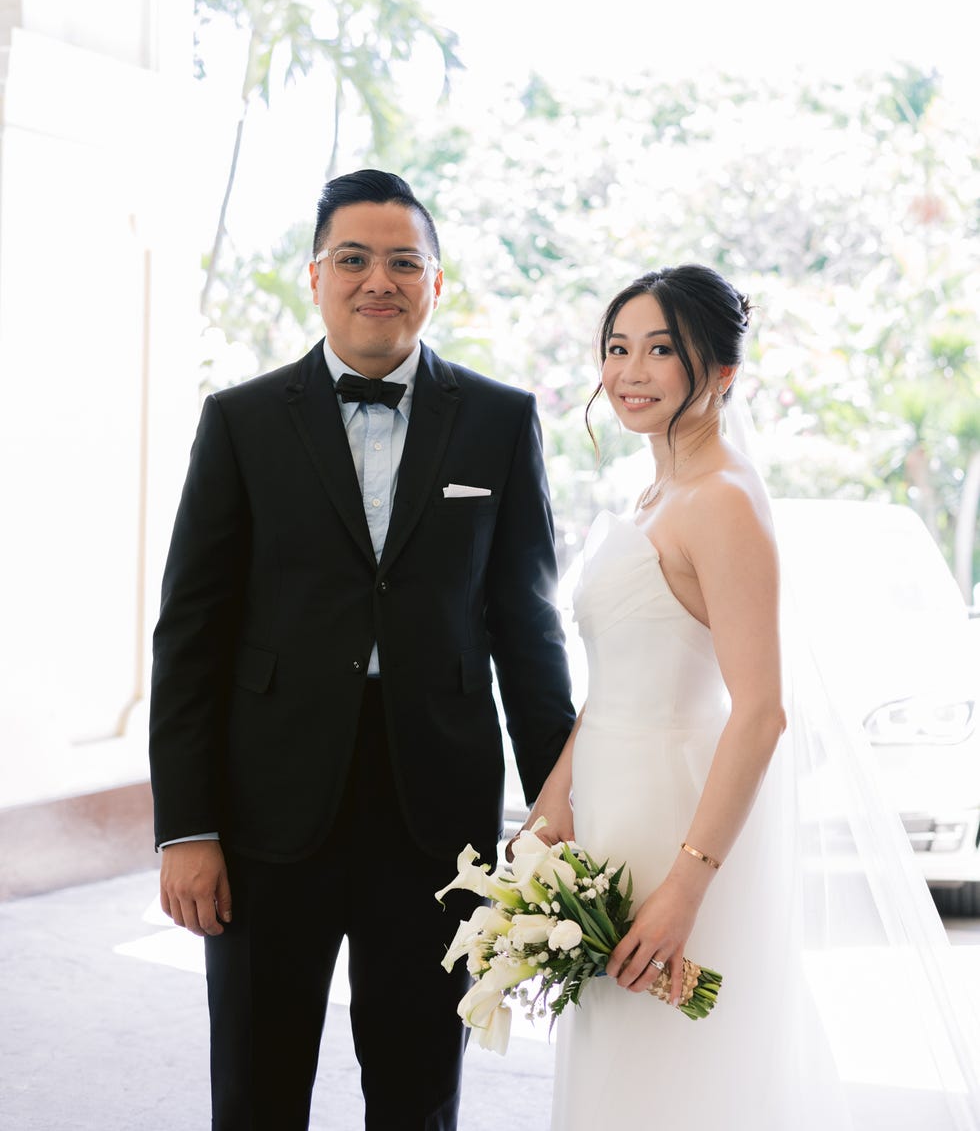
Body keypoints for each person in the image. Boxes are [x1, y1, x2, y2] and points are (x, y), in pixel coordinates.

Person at [149, 168, 576, 1131]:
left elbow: (528, 628)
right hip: (267, 811)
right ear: (314, 276)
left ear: (437, 282)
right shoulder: (242, 421)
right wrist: (187, 828)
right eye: (353, 259)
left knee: (419, 1088)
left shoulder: (502, 421)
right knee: (257, 1086)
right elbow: (190, 639)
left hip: (439, 812)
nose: (377, 279)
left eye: (402, 261)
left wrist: (558, 811)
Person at [527, 264, 980, 1129]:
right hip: (613, 816)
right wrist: (549, 817)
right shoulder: (655, 490)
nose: (629, 371)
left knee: (683, 1077)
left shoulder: (723, 500)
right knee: (622, 1067)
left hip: (678, 825)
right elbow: (611, 688)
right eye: (617, 349)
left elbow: (764, 711)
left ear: (722, 372)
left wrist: (684, 888)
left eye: (661, 350)